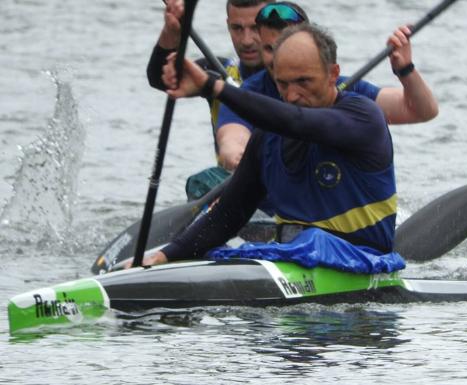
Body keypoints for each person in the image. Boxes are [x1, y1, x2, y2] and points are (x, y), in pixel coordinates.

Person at [140, 23, 405, 274]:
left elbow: (297, 121)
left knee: (312, 240)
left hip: (365, 263)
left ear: (333, 74)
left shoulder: (363, 117)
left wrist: (213, 86)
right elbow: (227, 216)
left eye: (303, 82)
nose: (291, 96)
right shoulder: (266, 139)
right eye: (283, 84)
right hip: (292, 259)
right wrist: (166, 256)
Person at [215, 1, 439, 172]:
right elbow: (232, 141)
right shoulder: (248, 93)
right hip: (267, 204)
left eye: (286, 48)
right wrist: (236, 156)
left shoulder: (342, 87)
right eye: (269, 49)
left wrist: (405, 70)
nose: (279, 59)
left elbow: (421, 111)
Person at [146, 0, 274, 198]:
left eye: (255, 28)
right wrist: (172, 33)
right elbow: (160, 78)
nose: (246, 40)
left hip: (288, 189)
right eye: (237, 28)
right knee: (201, 182)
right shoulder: (215, 75)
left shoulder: (298, 80)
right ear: (228, 25)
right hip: (235, 189)